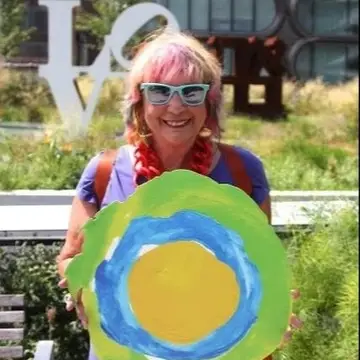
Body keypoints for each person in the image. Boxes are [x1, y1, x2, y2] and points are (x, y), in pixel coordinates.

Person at [57, 30, 301, 360]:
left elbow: (257, 263)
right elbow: (71, 258)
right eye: (159, 92)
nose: (175, 106)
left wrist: (271, 312)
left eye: (191, 92)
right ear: (139, 102)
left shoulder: (244, 171)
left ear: (209, 102)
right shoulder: (104, 172)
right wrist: (80, 287)